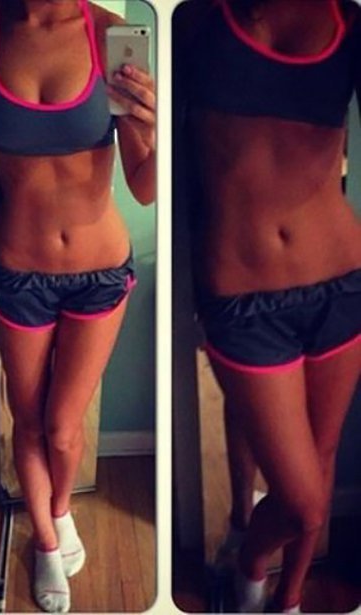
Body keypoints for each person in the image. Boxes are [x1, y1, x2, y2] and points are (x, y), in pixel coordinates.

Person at [0, 0, 155, 611]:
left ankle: (62, 508)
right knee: (29, 420)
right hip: (17, 272)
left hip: (101, 272)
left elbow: (145, 188)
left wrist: (154, 127)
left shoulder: (108, 33)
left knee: (65, 429)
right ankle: (45, 541)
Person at [176, 0, 361, 611]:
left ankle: (286, 599)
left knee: (321, 460)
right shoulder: (195, 19)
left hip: (342, 283)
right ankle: (250, 565)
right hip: (241, 298)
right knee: (301, 501)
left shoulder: (349, 20)